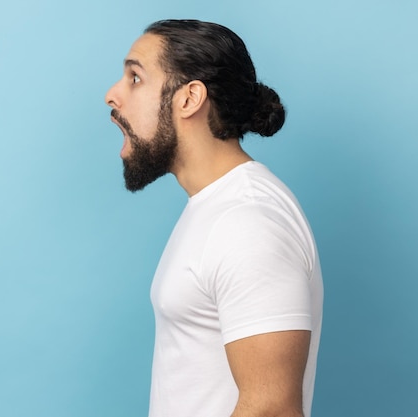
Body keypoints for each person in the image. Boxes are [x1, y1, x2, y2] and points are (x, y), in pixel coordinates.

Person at [104, 19, 323, 417]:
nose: (112, 95)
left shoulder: (247, 221)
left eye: (135, 77)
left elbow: (271, 408)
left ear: (189, 99)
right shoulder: (214, 207)